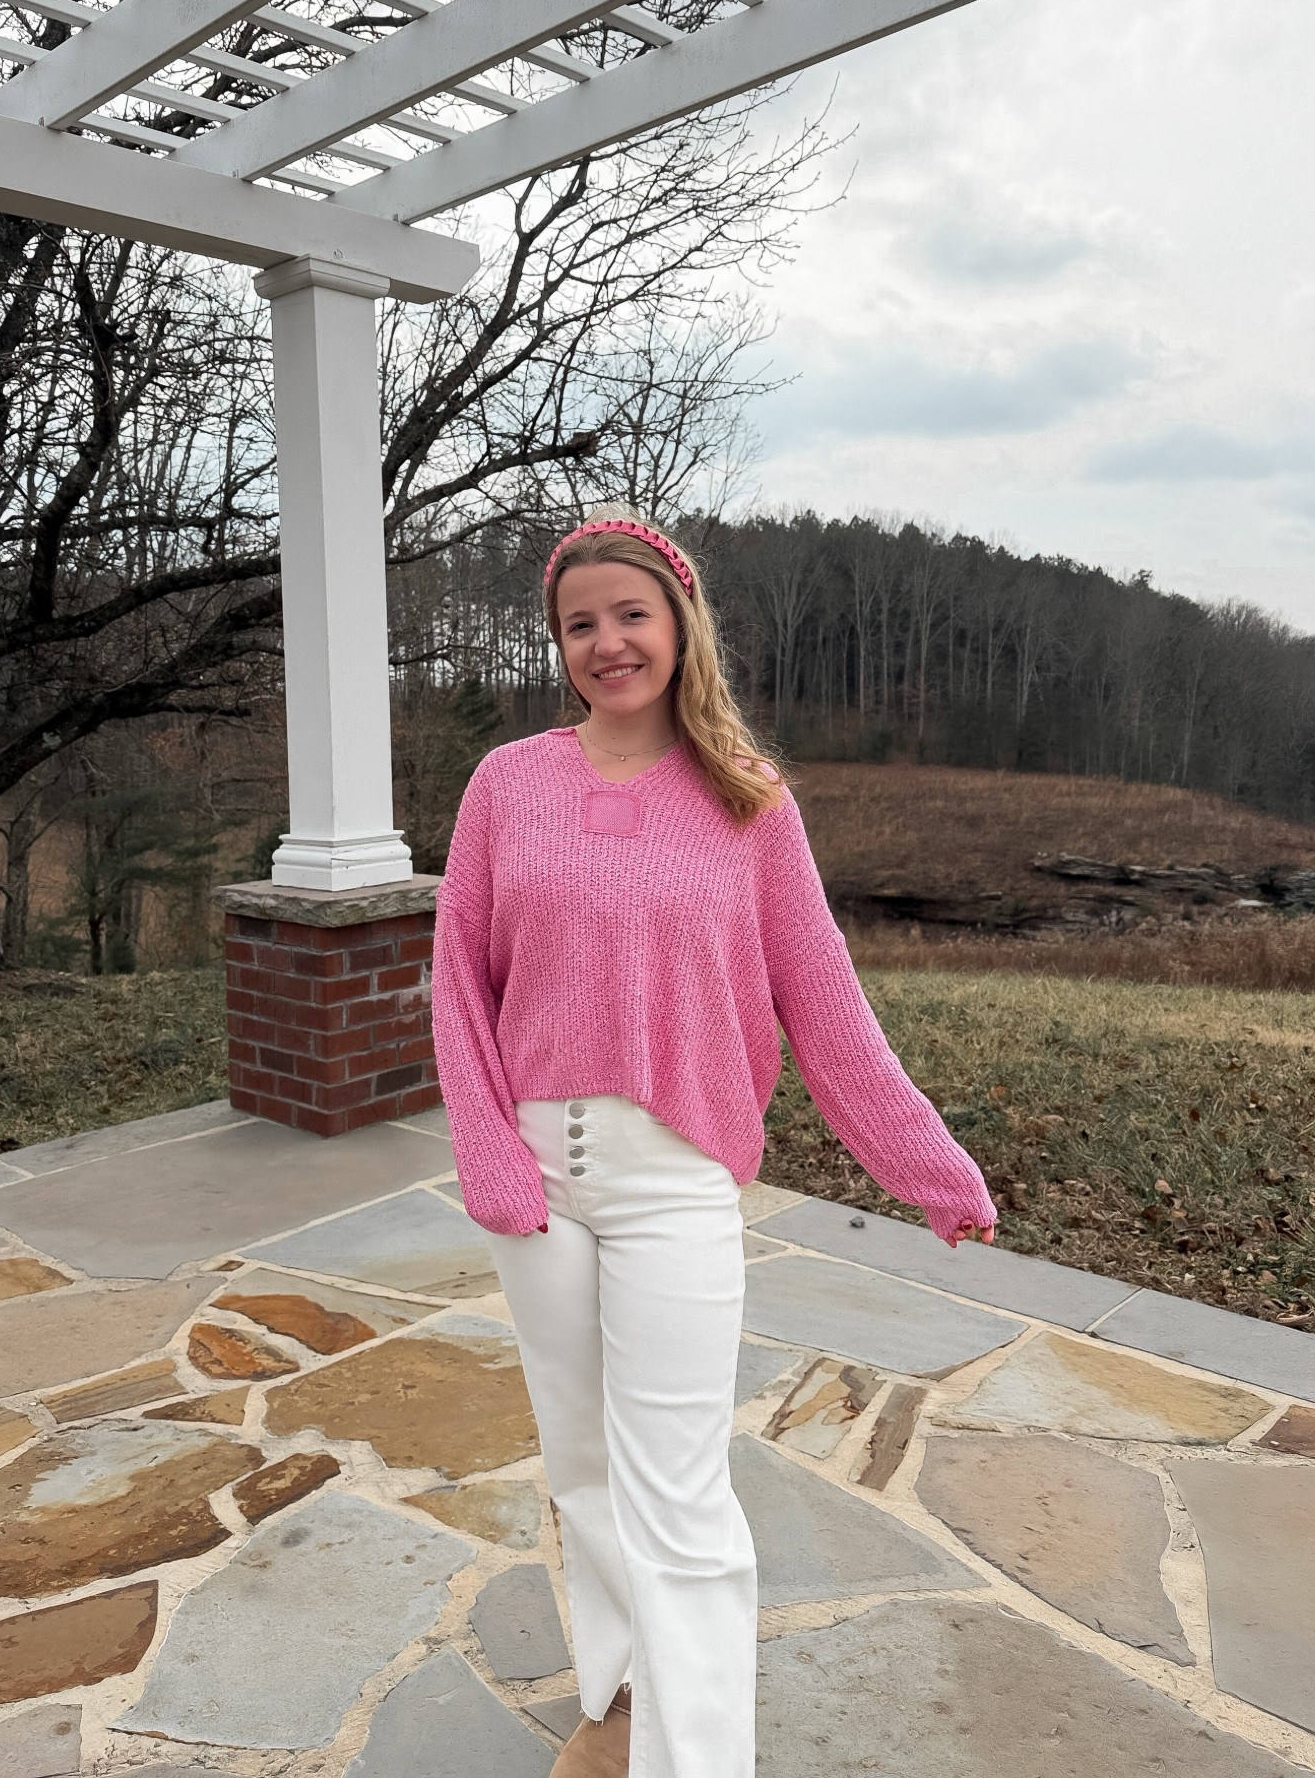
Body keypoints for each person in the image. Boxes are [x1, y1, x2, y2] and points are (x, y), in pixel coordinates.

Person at [431, 506, 997, 1778]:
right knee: (581, 1461)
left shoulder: (750, 804)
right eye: (580, 623)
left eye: (630, 613)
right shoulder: (505, 783)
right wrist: (489, 1155)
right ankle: (619, 1683)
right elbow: (456, 982)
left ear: (681, 624)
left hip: (675, 1178)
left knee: (679, 1492)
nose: (606, 641)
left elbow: (828, 1006)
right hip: (534, 1171)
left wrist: (925, 1164)